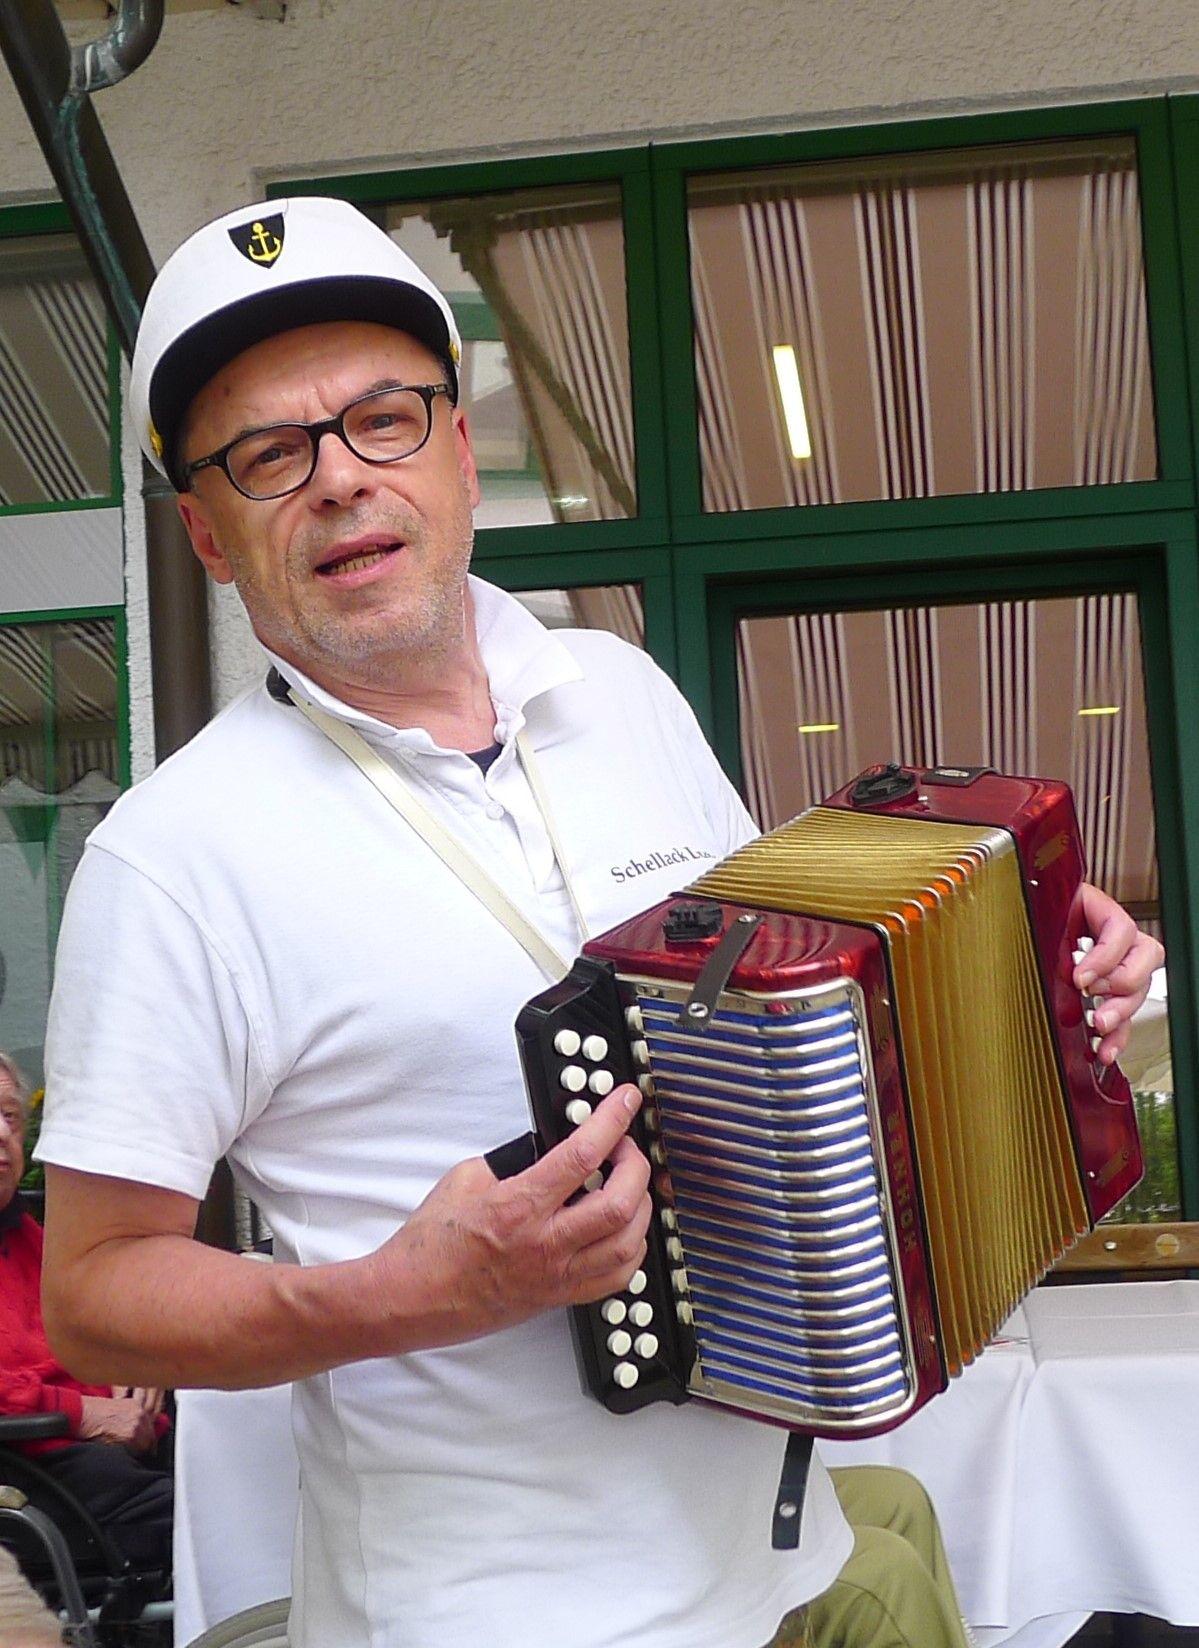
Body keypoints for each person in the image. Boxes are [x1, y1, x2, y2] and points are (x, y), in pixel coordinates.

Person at [32, 197, 1162, 1648]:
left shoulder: (619, 689)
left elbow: (788, 1003)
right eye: (267, 453)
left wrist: (1018, 977)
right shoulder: (168, 857)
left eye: (381, 417)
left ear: (455, 451)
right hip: (493, 1616)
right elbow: (95, 1298)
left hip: (785, 1556)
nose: (338, 477)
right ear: (205, 532)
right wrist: (400, 1295)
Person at [0, 1054, 173, 1576]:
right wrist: (87, 1414)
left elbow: (104, 1318)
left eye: (10, 1117)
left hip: (99, 1452)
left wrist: (134, 1363)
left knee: (248, 1462)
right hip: (29, 1466)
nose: (2, 1134)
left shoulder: (32, 1240)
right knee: (210, 1517)